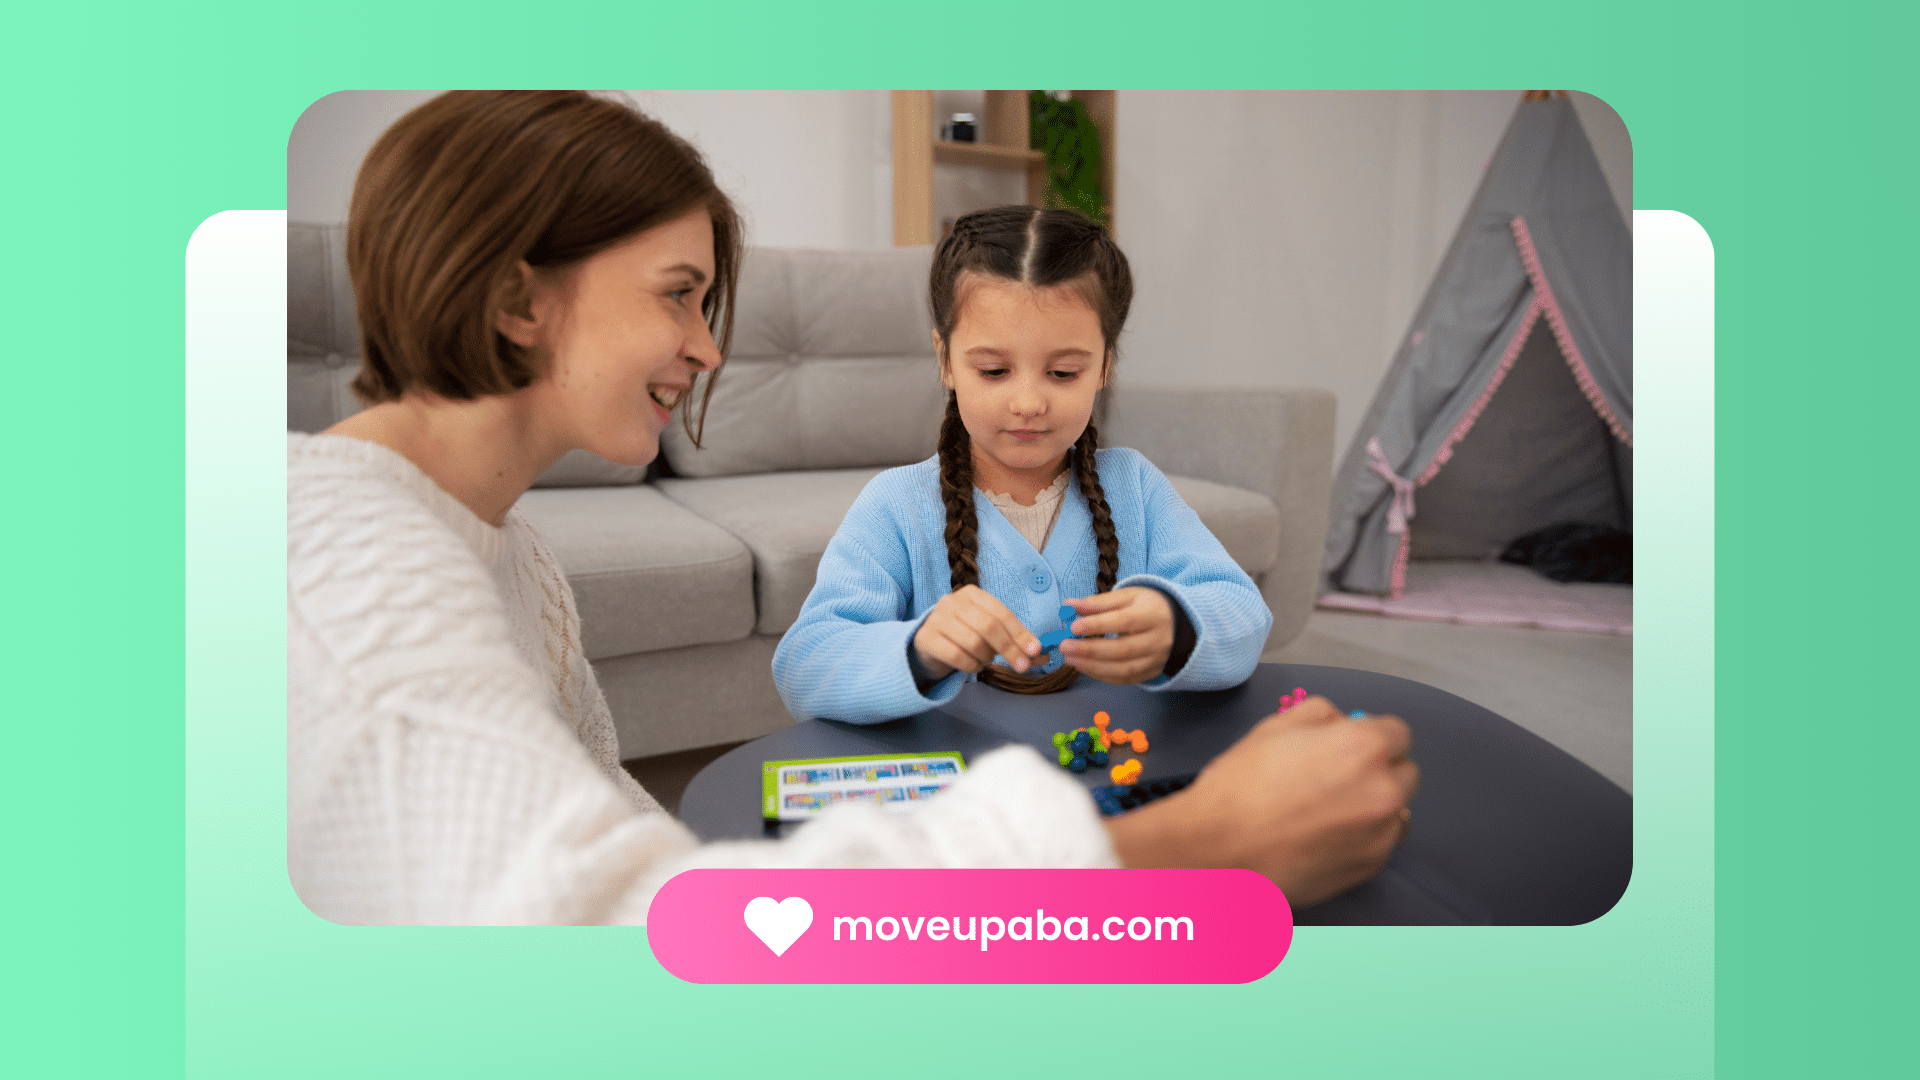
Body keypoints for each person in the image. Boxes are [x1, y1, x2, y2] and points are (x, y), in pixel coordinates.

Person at [288, 90, 1417, 925]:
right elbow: (640, 938)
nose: (709, 344)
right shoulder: (348, 594)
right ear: (515, 299)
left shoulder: (504, 550)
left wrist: (1176, 624)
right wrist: (1207, 844)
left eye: (1065, 371)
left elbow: (613, 842)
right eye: (680, 293)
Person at [774, 206, 1269, 726]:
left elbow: (1244, 614)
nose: (1029, 401)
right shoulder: (896, 504)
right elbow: (804, 667)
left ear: (1105, 366)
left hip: (1114, 783)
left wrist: (1179, 628)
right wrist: (919, 650)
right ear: (945, 360)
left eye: (1062, 372)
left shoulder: (1135, 487)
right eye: (994, 371)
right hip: (966, 795)